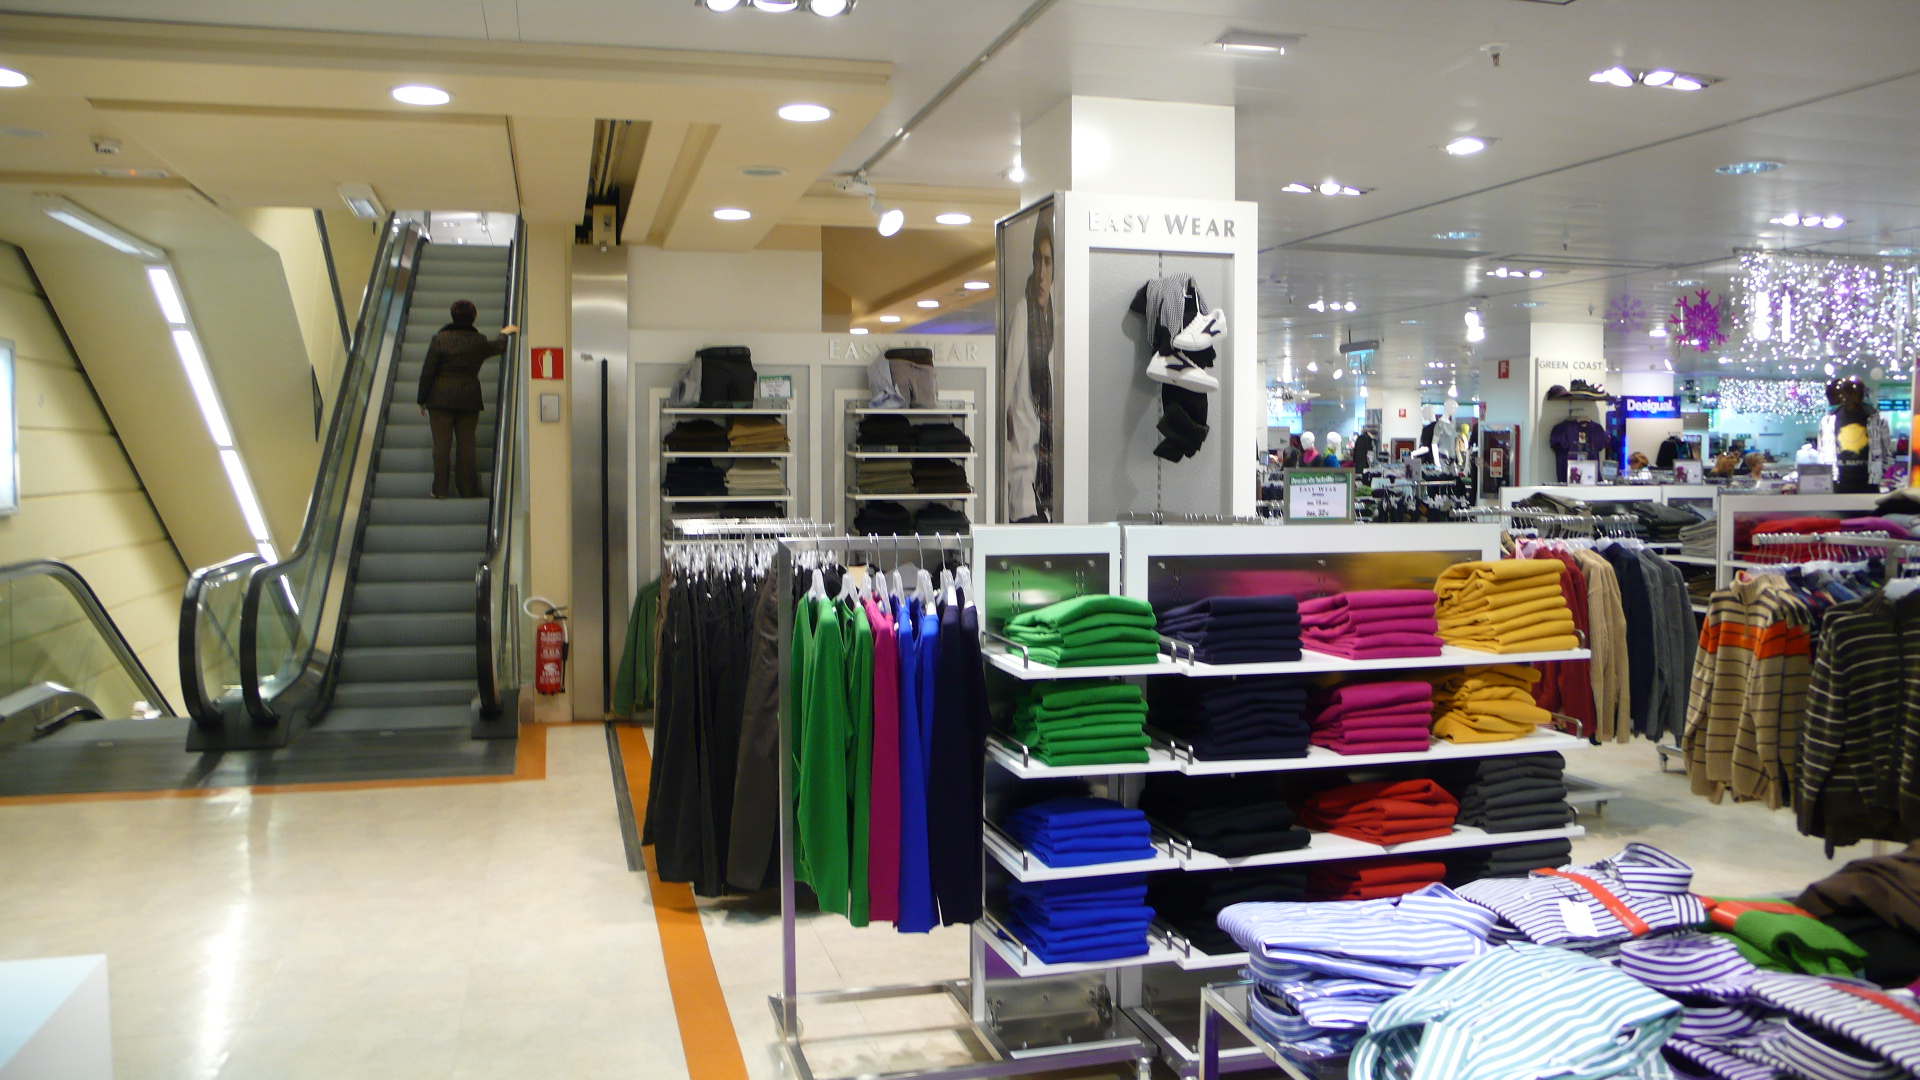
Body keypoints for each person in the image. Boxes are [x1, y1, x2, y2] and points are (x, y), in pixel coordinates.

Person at [418, 300, 517, 498]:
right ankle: (468, 489)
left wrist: (422, 399)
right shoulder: (478, 341)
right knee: (467, 444)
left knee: (441, 445)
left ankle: (440, 490)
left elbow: (428, 370)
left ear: (452, 316)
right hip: (468, 397)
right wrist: (505, 333)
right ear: (474, 316)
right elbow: (498, 346)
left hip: (440, 397)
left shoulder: (440, 339)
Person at [1002, 213, 1054, 522]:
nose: (1041, 272)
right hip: (1022, 468)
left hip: (1047, 476)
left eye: (1047, 262)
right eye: (1037, 260)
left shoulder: (1055, 321)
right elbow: (1005, 390)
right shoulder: (1023, 314)